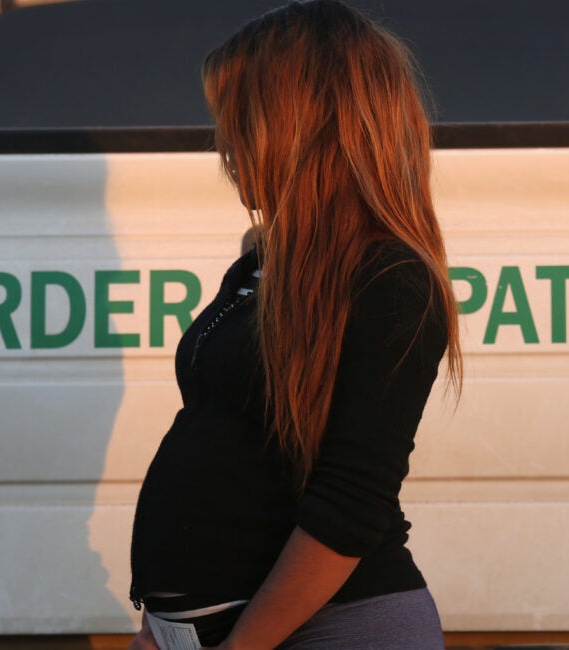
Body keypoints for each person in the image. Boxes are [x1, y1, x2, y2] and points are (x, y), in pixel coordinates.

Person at [128, 1, 461, 648]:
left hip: (332, 630)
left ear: (300, 123)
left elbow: (348, 508)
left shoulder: (390, 281)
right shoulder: (269, 263)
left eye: (237, 121)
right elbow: (220, 446)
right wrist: (161, 625)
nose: (223, 145)